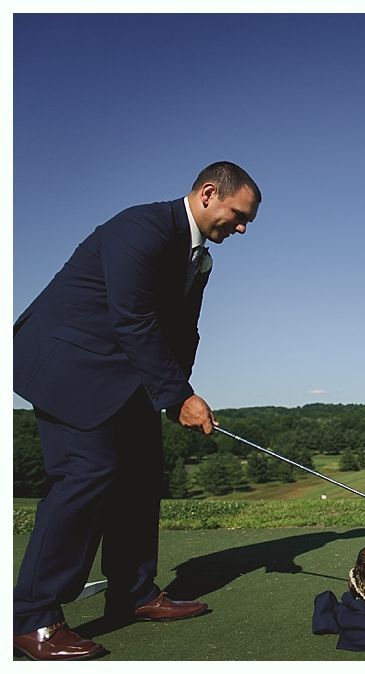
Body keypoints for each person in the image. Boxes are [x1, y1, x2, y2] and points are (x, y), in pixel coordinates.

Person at [12, 161, 262, 661]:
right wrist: (176, 395)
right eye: (238, 215)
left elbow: (181, 332)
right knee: (88, 475)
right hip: (70, 364)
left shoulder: (201, 259)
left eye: (247, 223)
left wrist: (177, 395)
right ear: (209, 193)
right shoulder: (140, 228)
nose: (240, 228)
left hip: (125, 375)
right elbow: (133, 318)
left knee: (142, 475)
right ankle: (32, 618)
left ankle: (134, 592)